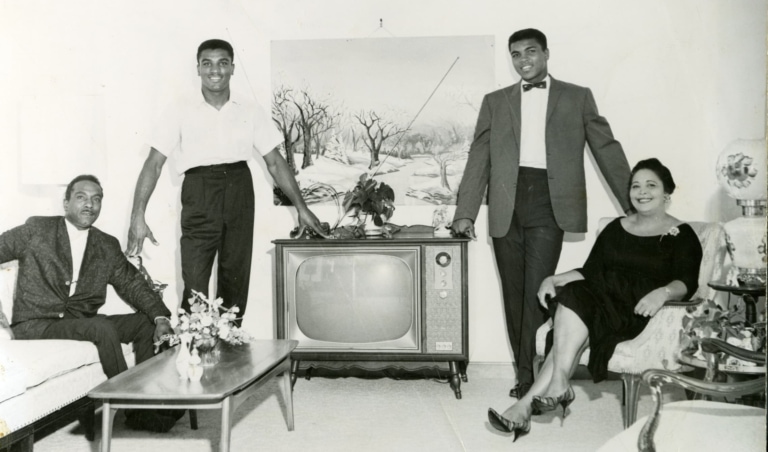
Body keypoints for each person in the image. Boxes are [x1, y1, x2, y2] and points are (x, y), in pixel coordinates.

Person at [451, 28, 632, 399]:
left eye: (530, 52)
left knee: (538, 290)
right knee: (513, 293)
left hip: (550, 203)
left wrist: (632, 205)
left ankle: (539, 374)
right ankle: (524, 376)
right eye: (516, 54)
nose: (523, 60)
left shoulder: (577, 97)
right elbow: (478, 158)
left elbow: (607, 149)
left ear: (546, 54)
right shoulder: (495, 101)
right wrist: (465, 212)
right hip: (505, 204)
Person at [487, 158, 703, 441]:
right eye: (635, 186)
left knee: (572, 312)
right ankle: (551, 389)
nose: (642, 191)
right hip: (601, 300)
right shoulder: (616, 228)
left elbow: (685, 282)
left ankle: (531, 401)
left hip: (637, 310)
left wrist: (661, 293)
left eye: (651, 185)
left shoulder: (681, 234)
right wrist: (554, 278)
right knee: (572, 297)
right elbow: (590, 272)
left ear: (667, 193)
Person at [126, 39, 327, 320]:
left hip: (239, 189)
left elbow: (275, 162)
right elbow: (153, 164)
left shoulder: (250, 109)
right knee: (194, 283)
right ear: (197, 68)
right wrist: (138, 215)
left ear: (232, 67)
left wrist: (302, 208)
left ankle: (231, 354)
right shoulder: (179, 109)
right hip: (198, 191)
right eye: (207, 63)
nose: (215, 70)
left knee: (235, 282)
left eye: (222, 62)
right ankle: (193, 357)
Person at [0, 175, 182, 433]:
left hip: (78, 322)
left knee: (144, 323)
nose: (90, 204)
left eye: (96, 199)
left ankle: (149, 404)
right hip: (36, 324)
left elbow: (133, 284)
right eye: (81, 197)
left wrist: (160, 318)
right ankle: (128, 401)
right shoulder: (36, 230)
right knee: (100, 327)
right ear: (65, 203)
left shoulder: (106, 244)